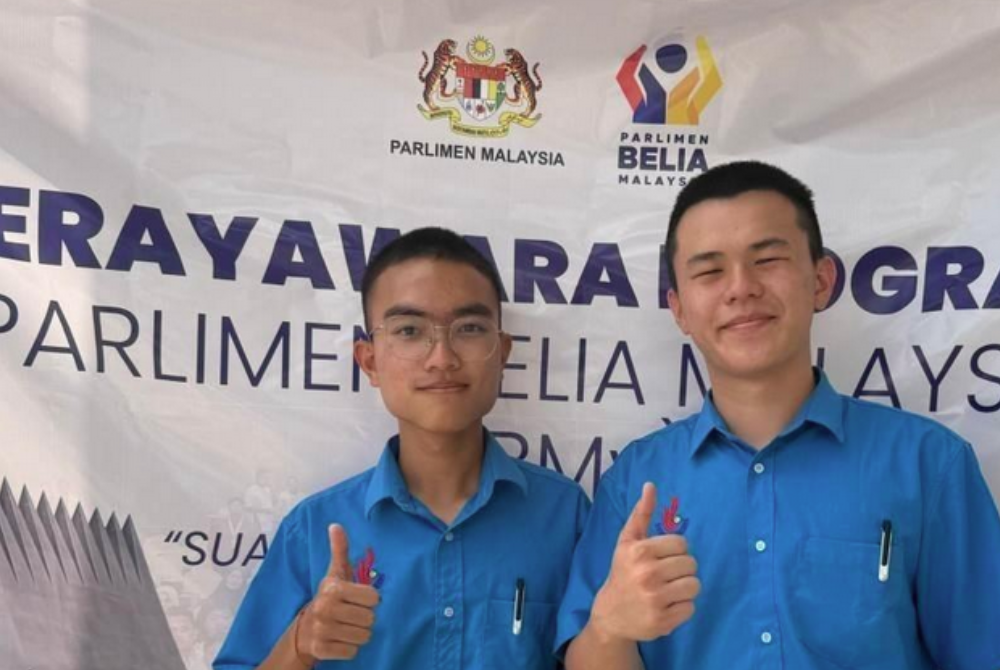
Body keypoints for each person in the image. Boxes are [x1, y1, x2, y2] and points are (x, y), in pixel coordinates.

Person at [556, 161, 1000, 670]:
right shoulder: (636, 481)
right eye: (709, 270)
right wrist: (610, 629)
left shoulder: (928, 466)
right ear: (678, 309)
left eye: (767, 259)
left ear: (821, 279)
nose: (741, 288)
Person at [215, 227, 590, 670]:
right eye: (409, 330)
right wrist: (299, 643)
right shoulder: (315, 530)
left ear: (502, 352)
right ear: (369, 361)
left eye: (469, 328)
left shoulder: (566, 518)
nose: (442, 357)